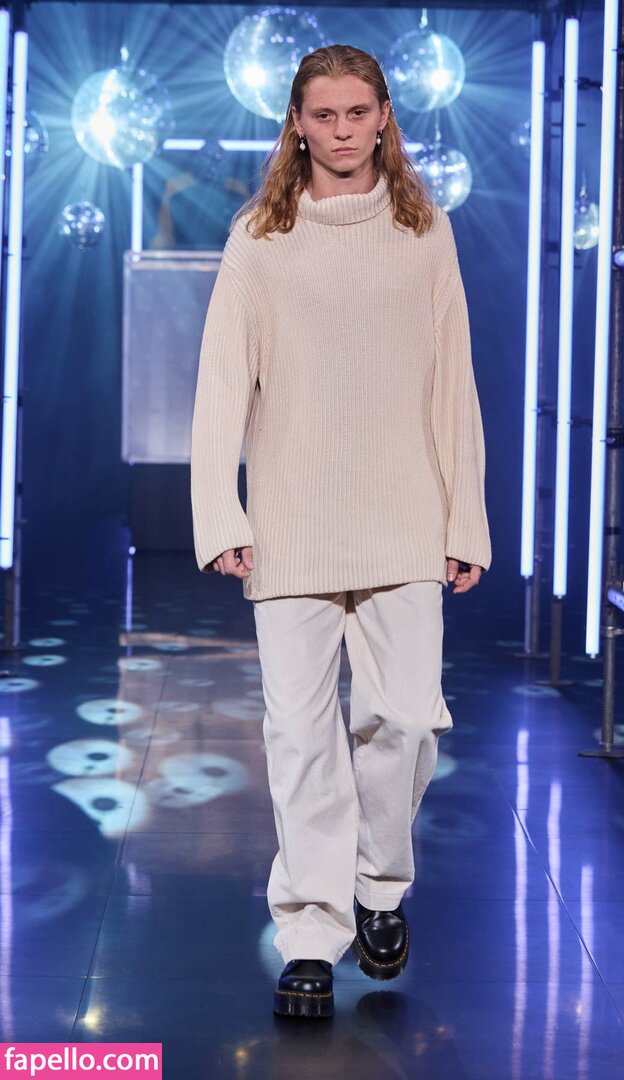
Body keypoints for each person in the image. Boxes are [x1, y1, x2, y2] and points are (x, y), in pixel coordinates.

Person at [190, 43, 492, 1019]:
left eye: (359, 112)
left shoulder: (423, 231)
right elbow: (221, 383)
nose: (343, 130)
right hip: (292, 518)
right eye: (324, 115)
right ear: (297, 124)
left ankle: (377, 887)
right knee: (300, 736)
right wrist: (220, 512)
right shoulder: (259, 238)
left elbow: (454, 383)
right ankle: (311, 934)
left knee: (405, 720)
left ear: (384, 116)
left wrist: (466, 517)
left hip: (406, 512)